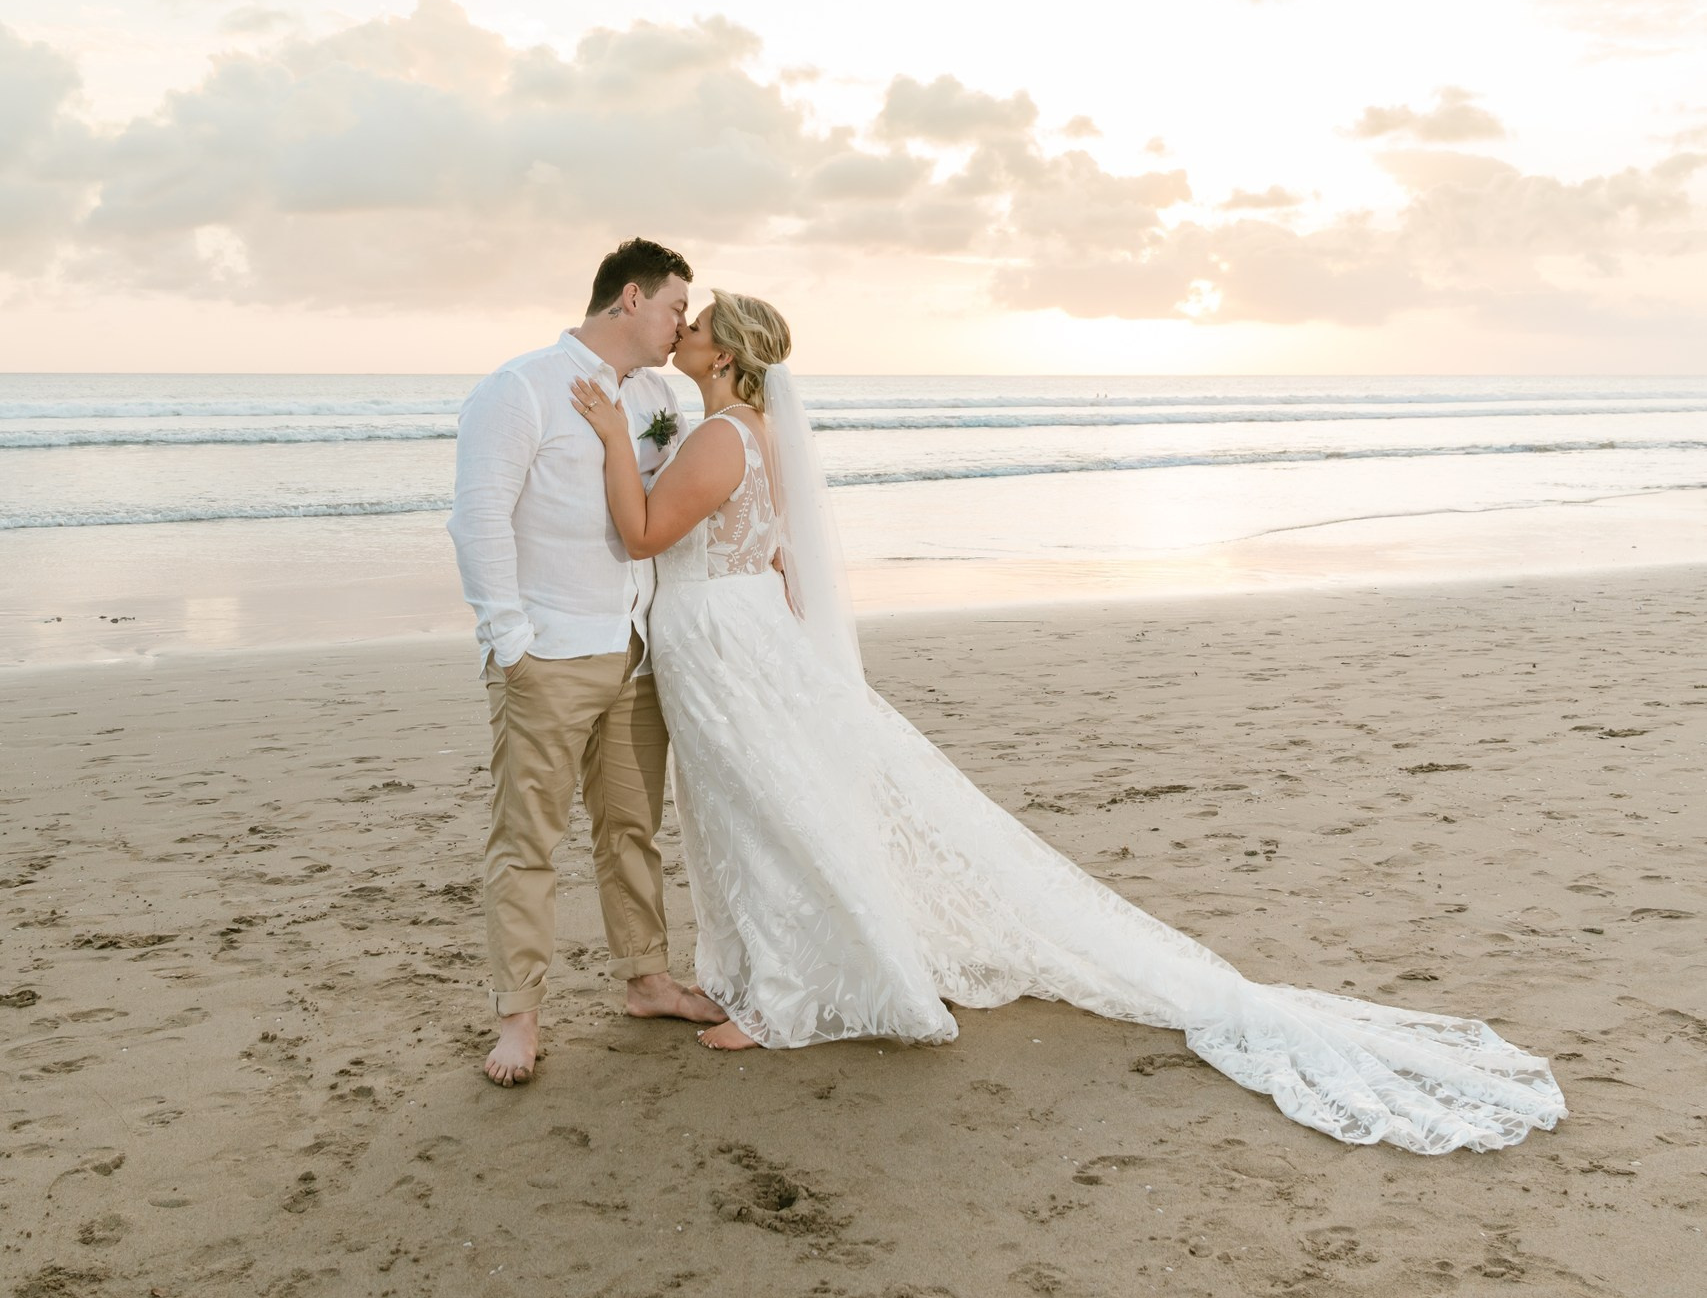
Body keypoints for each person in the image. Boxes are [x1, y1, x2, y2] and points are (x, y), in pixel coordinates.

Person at [570, 292, 1568, 1154]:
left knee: (760, 812)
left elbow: (647, 533)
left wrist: (616, 440)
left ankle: (785, 994)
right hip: (735, 637)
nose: (684, 331)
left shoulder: (719, 436)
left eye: (698, 325)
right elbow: (775, 551)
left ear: (726, 356)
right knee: (762, 807)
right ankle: (776, 973)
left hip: (723, 642)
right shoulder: (756, 430)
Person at [449, 237, 720, 1086]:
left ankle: (646, 980)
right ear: (630, 299)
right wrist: (510, 640)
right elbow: (478, 518)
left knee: (631, 830)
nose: (681, 325)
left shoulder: (661, 396)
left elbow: (665, 503)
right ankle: (518, 1017)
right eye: (676, 307)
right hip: (551, 652)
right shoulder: (520, 387)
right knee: (527, 840)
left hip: (637, 650)